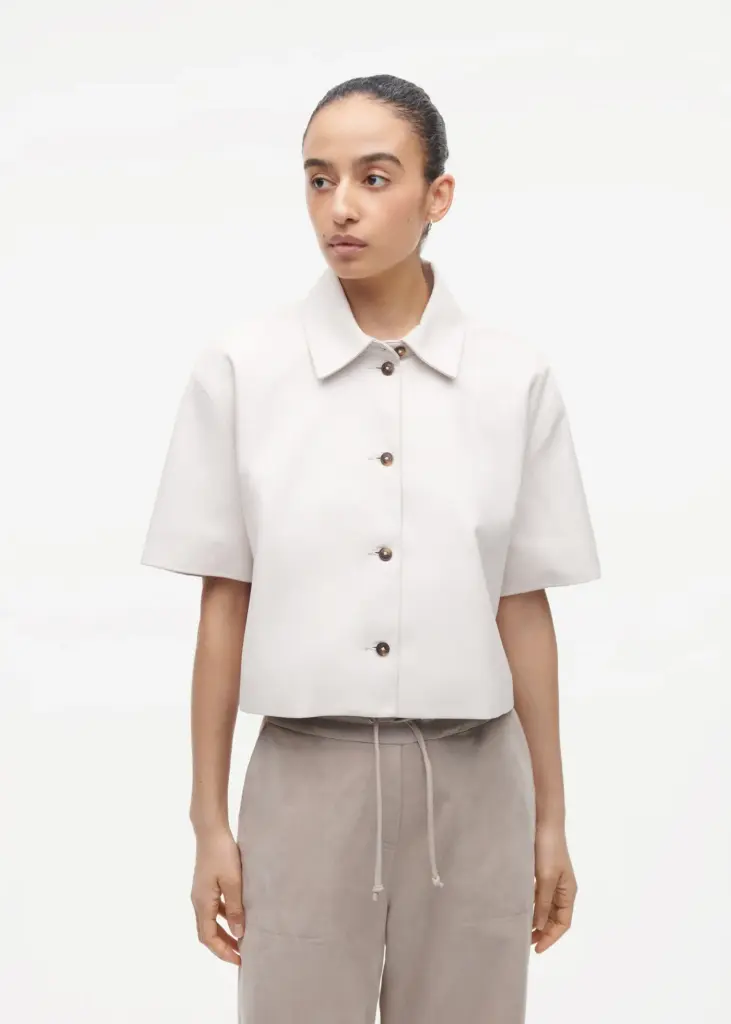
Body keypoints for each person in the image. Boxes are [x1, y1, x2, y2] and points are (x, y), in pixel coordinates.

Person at [140, 73, 601, 1024]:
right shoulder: (242, 371)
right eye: (319, 179)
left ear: (438, 195)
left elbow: (521, 607)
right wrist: (208, 823)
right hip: (303, 784)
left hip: (475, 787)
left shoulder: (513, 380)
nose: (339, 207)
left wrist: (550, 820)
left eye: (374, 177)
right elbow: (224, 606)